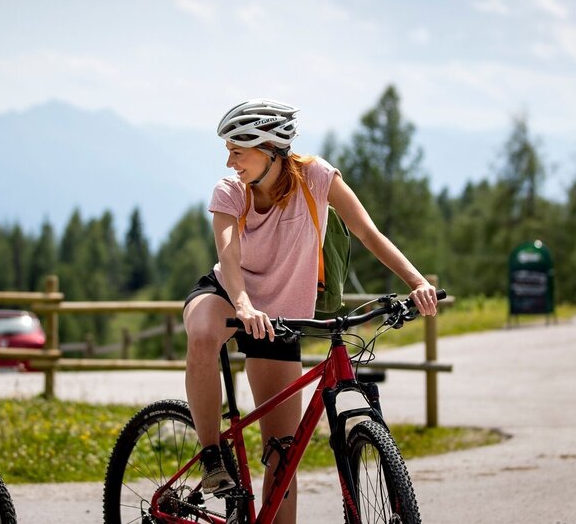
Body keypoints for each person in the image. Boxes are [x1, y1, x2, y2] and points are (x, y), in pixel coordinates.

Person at [183, 99, 439, 524]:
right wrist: (244, 304)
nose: (229, 161)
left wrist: (416, 282)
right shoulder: (230, 191)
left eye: (237, 151)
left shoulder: (317, 178)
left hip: (282, 316)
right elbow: (228, 256)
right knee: (204, 333)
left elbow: (367, 232)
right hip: (231, 295)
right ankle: (212, 455)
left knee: (282, 456)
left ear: (268, 148)